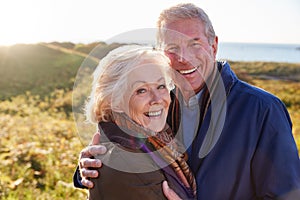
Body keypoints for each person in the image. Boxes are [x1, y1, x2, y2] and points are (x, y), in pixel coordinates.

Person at [74, 3, 300, 199]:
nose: (184, 57)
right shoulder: (158, 103)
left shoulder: (262, 109)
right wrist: (92, 166)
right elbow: (128, 158)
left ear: (213, 46)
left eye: (194, 43)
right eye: (172, 48)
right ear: (161, 53)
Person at [82, 44, 196, 199]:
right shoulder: (127, 162)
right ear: (114, 102)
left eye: (161, 86)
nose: (157, 99)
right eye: (141, 90)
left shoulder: (158, 138)